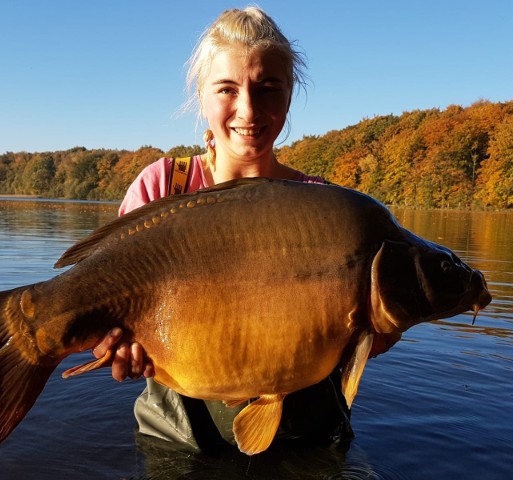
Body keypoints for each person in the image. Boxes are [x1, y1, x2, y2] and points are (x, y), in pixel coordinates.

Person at [92, 6, 352, 452]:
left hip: (305, 439)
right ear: (202, 97)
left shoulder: (325, 208)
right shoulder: (162, 186)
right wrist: (108, 345)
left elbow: (353, 343)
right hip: (178, 439)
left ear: (290, 95)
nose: (248, 108)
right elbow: (109, 299)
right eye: (227, 88)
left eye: (269, 88)